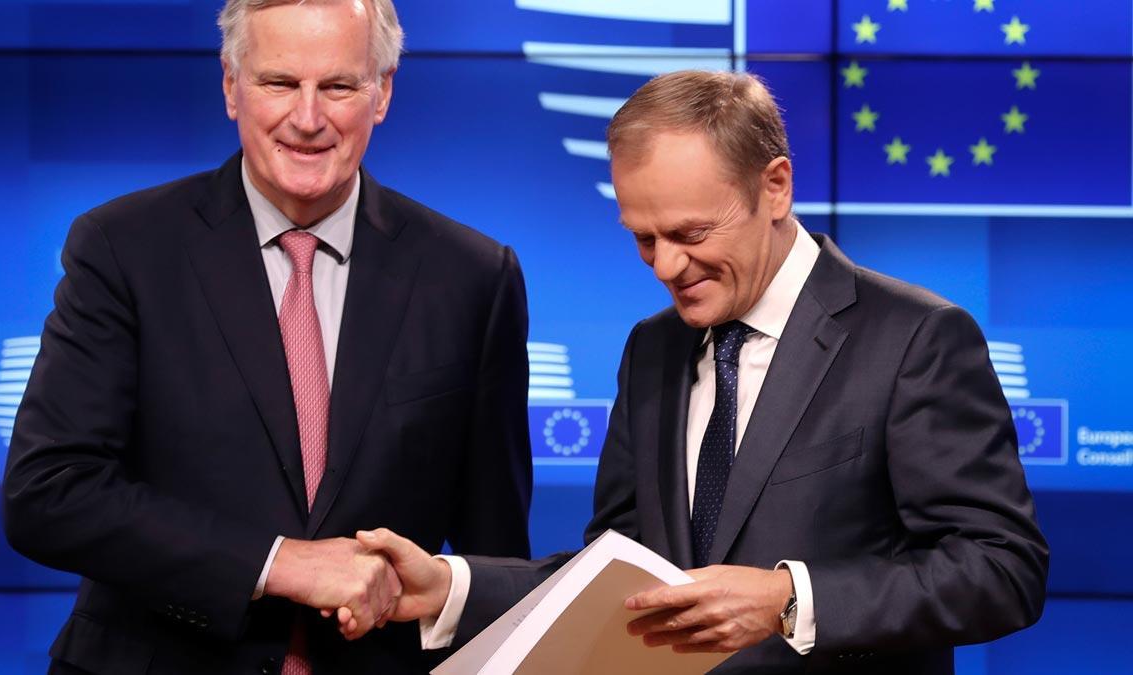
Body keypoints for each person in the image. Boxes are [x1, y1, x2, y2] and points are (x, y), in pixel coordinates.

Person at [359, 70, 1049, 674]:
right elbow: (615, 574)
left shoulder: (915, 339)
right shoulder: (653, 348)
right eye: (643, 237)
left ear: (774, 187)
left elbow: (1001, 568)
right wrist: (452, 584)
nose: (664, 267)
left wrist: (788, 599)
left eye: (690, 234)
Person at [1, 1, 532, 673]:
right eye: (280, 83)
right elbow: (48, 492)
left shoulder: (474, 277)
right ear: (230, 86)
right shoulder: (123, 248)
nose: (308, 119)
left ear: (382, 93)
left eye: (338, 86)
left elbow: (495, 558)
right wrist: (280, 562)